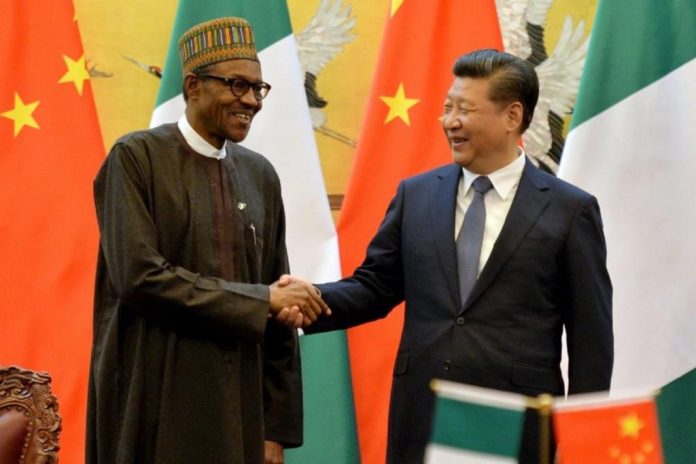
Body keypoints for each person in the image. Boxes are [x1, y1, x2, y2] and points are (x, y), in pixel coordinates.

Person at [289, 49, 613, 463]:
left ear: (512, 116)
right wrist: (309, 299)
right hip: (423, 413)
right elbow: (374, 287)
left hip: (516, 422)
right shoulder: (416, 195)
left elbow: (591, 339)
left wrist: (584, 441)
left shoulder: (570, 210)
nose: (449, 121)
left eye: (464, 109)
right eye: (447, 107)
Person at [86, 17, 328, 464]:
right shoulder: (135, 158)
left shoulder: (259, 175)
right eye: (237, 85)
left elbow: (280, 308)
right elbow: (140, 278)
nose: (251, 101)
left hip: (240, 406)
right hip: (154, 395)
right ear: (194, 86)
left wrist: (274, 428)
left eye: (258, 89)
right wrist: (261, 300)